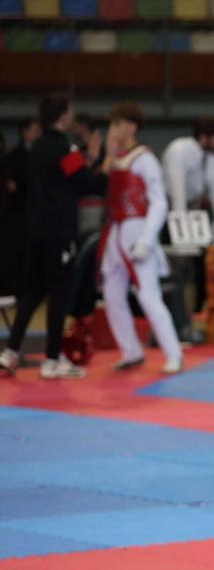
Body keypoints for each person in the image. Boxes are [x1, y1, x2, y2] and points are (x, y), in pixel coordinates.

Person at [1, 94, 106, 379]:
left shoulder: (36, 147)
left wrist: (87, 158)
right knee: (59, 292)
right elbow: (85, 182)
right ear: (63, 115)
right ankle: (51, 359)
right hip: (57, 233)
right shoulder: (64, 147)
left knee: (33, 292)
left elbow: (65, 175)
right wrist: (103, 164)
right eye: (70, 112)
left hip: (33, 231)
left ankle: (10, 351)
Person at [96, 102, 183, 375]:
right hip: (116, 231)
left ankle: (174, 353)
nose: (112, 130)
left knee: (148, 296)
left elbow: (158, 203)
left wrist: (147, 239)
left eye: (116, 124)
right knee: (112, 294)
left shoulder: (145, 158)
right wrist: (108, 156)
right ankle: (131, 350)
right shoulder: (117, 158)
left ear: (130, 127)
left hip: (137, 230)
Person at [163, 117, 214, 342]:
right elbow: (177, 190)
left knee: (201, 267)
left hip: (195, 211)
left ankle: (193, 321)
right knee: (176, 270)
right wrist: (181, 229)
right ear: (203, 138)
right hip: (169, 211)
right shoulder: (179, 150)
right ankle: (176, 324)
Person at [0, 118, 40, 299]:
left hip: (37, 211)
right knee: (16, 252)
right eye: (34, 130)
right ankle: (15, 289)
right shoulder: (14, 156)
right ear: (25, 132)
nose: (38, 133)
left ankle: (29, 288)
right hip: (16, 213)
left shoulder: (42, 153)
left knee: (32, 254)